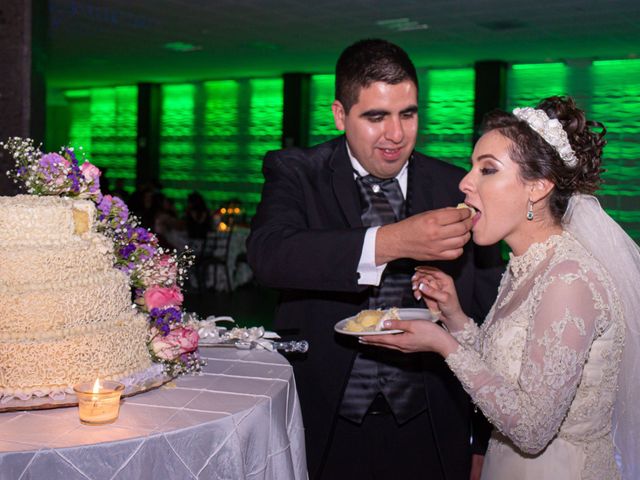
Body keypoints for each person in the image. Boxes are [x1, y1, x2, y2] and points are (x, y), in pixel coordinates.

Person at [247, 38, 504, 480]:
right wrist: (392, 241)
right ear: (340, 115)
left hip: (431, 419)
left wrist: (481, 440)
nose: (396, 134)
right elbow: (270, 254)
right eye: (375, 117)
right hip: (327, 419)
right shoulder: (297, 171)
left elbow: (491, 316)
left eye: (408, 114)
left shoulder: (453, 185)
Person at [364, 96, 640, 479]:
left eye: (487, 170)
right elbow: (507, 375)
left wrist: (442, 344)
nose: (464, 182)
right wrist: (454, 316)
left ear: (537, 188)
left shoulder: (569, 280)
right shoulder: (525, 266)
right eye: (472, 167)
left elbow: (531, 430)